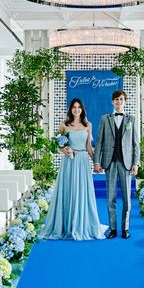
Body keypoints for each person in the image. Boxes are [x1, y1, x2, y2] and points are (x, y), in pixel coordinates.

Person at [40, 98, 104, 240]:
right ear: (70, 109)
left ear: (82, 109)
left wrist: (97, 162)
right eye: (74, 107)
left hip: (82, 161)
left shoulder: (88, 125)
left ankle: (81, 224)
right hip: (69, 162)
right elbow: (58, 144)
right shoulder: (64, 125)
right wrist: (65, 150)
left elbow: (89, 147)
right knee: (68, 190)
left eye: (79, 107)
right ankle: (66, 225)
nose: (76, 109)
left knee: (82, 191)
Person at [93, 90, 140, 239]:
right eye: (116, 99)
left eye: (121, 99)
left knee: (127, 198)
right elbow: (99, 142)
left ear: (124, 101)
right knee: (110, 197)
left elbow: (136, 144)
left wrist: (135, 163)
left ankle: (125, 228)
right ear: (112, 101)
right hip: (110, 161)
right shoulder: (105, 119)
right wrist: (97, 161)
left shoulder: (131, 119)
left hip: (126, 163)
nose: (119, 102)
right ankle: (113, 228)